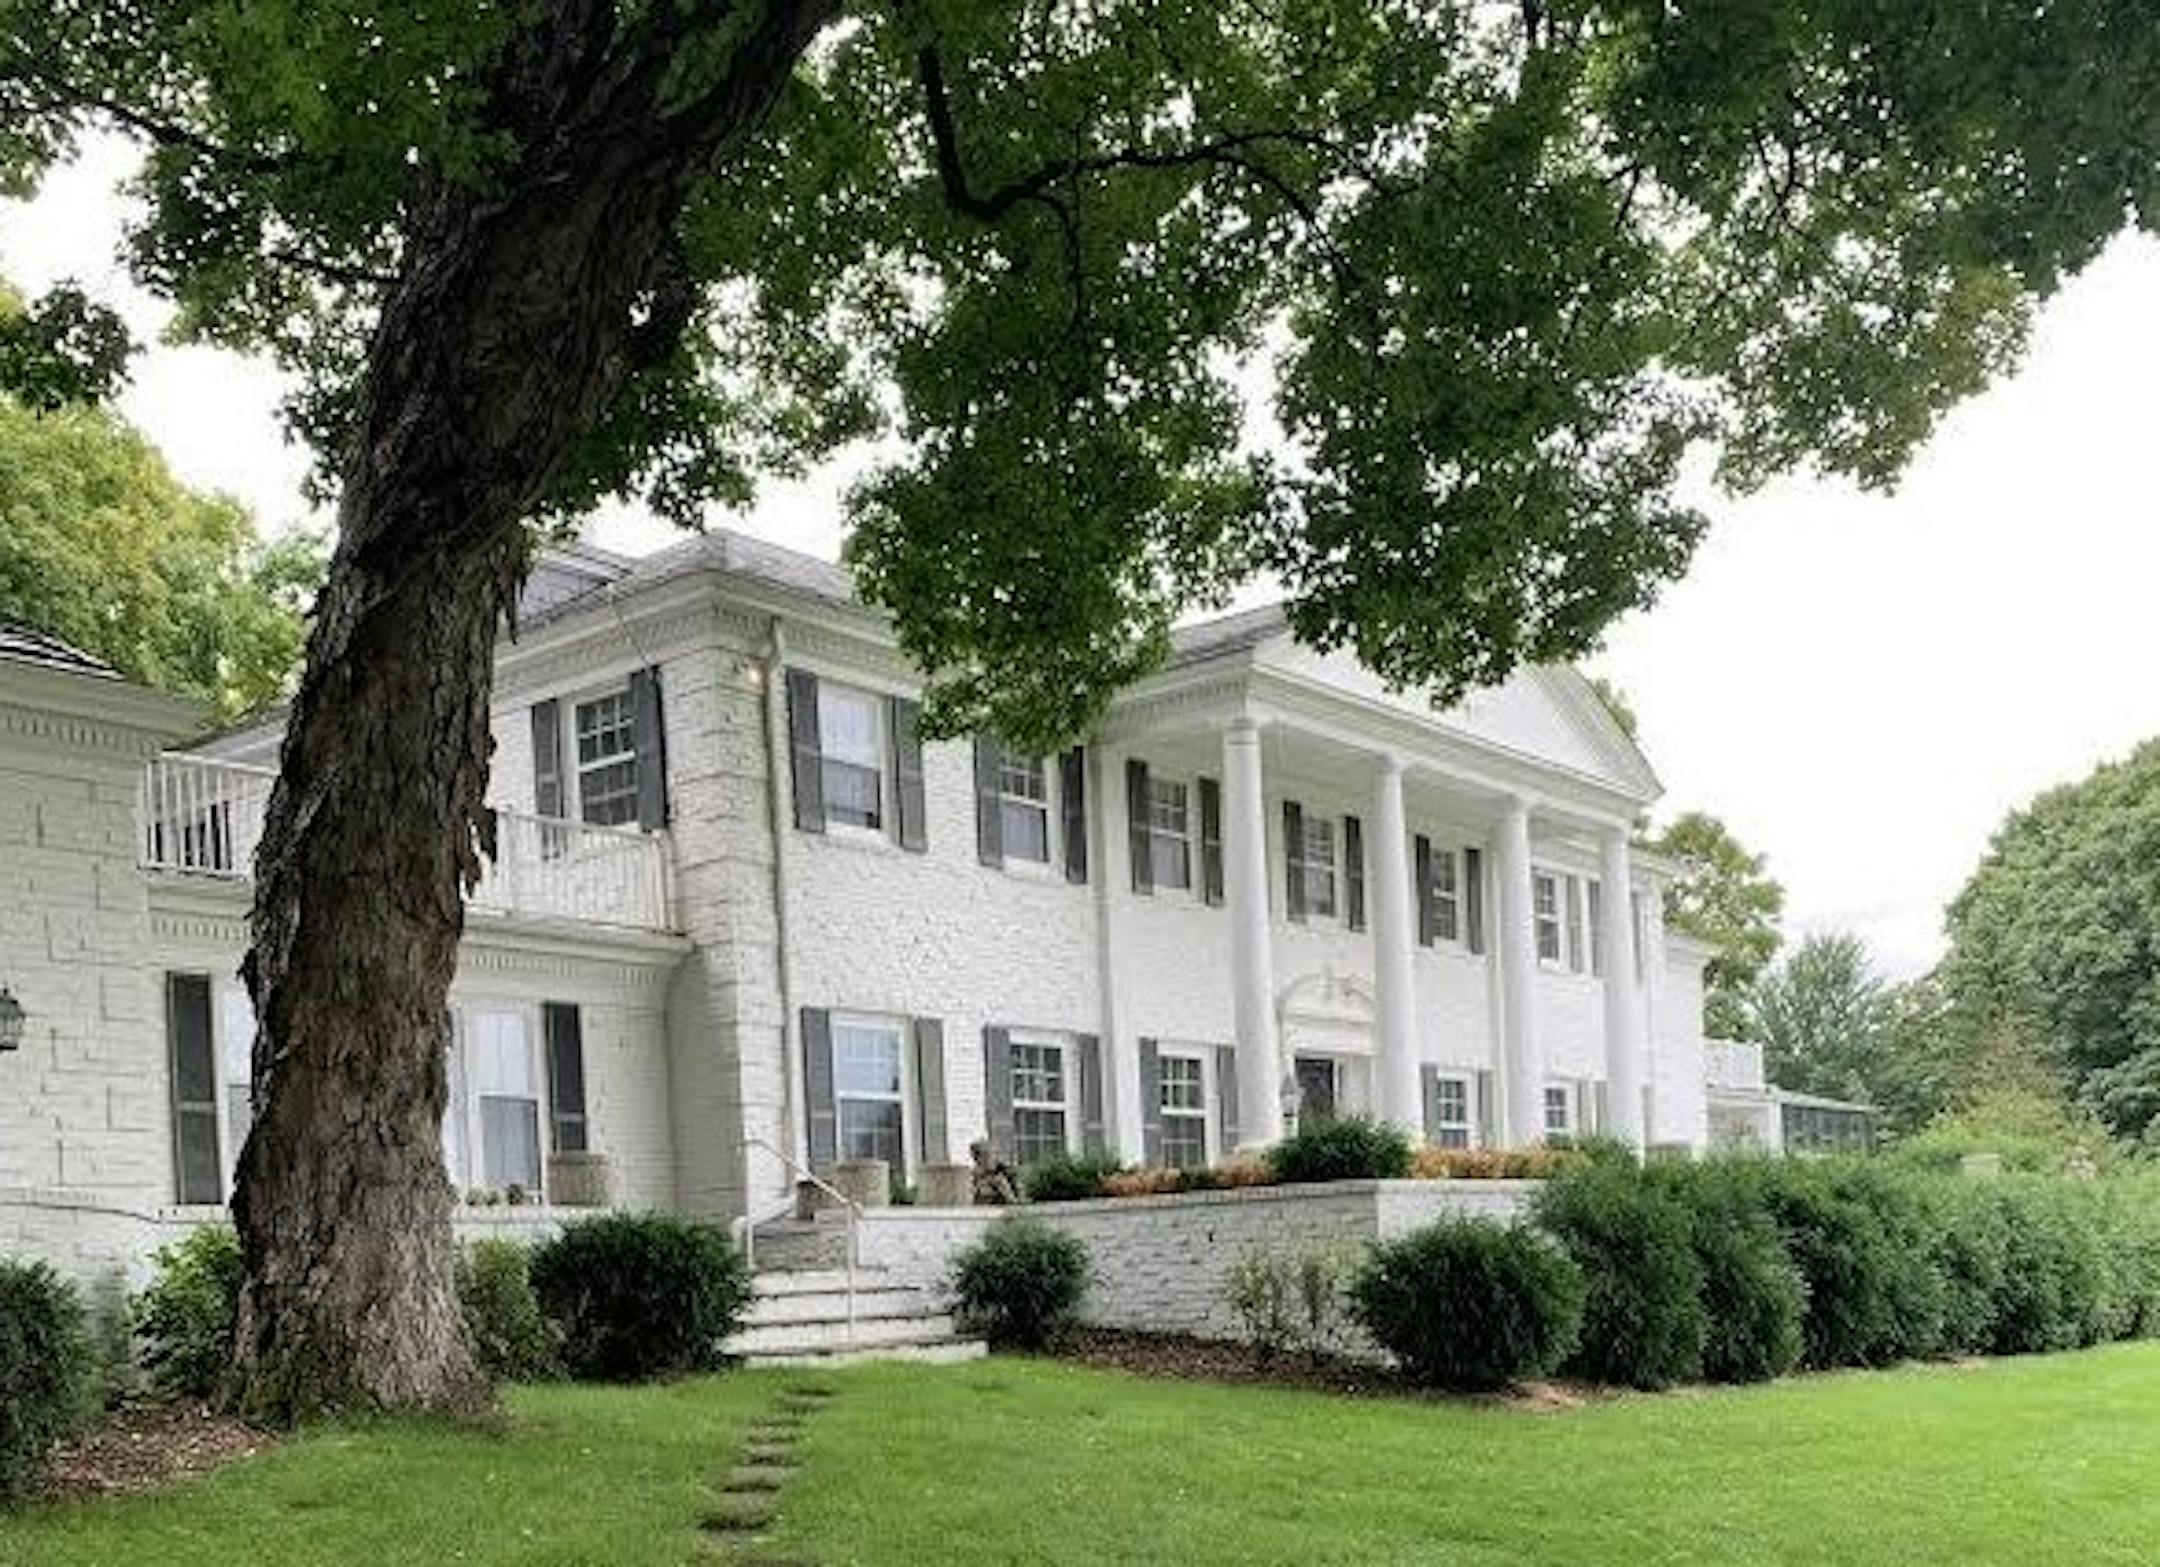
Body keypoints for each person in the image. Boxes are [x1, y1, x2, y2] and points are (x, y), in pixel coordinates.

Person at [970, 1138, 1021, 1206]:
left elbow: (1013, 1201)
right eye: (990, 1155)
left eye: (995, 1154)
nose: (995, 1158)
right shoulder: (974, 1175)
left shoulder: (1000, 1177)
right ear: (979, 1158)